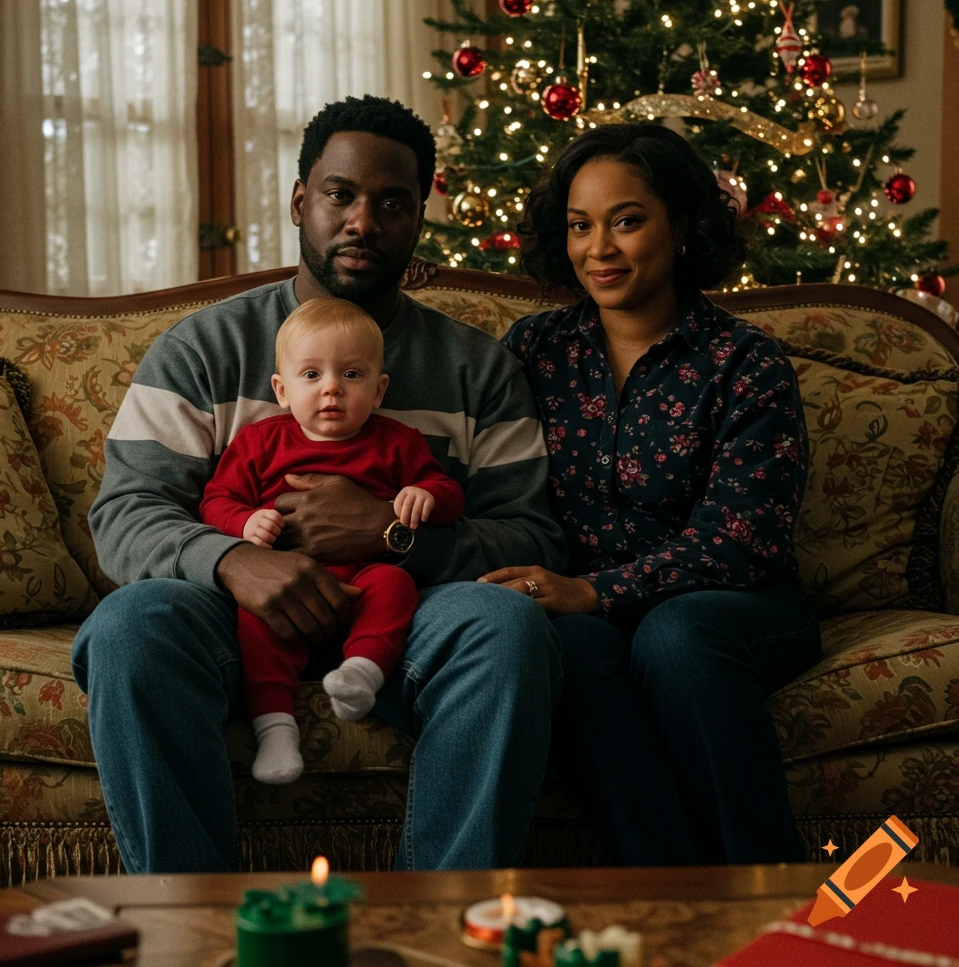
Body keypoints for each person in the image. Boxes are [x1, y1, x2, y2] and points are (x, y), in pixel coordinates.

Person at [73, 95, 567, 873]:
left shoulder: (480, 370)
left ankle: (442, 931)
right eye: (341, 194)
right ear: (302, 200)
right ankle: (193, 930)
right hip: (231, 620)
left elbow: (532, 536)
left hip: (410, 620)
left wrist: (393, 535)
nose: (363, 222)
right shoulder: (200, 350)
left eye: (392, 203)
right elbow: (125, 516)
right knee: (131, 624)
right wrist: (236, 561)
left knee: (506, 628)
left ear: (418, 219)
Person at [481, 123, 821, 865]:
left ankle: (778, 889)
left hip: (737, 604)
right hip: (583, 613)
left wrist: (596, 591)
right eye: (579, 226)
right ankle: (671, 897)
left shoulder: (745, 362)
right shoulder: (535, 350)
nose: (597, 248)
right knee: (558, 646)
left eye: (626, 221)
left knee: (676, 636)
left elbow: (743, 540)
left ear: (683, 227)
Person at [199, 297, 465, 786]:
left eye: (351, 375)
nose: (332, 390)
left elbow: (449, 496)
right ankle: (275, 728)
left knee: (395, 585)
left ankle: (362, 673)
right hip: (282, 584)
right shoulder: (260, 443)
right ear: (281, 390)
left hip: (365, 578)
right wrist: (244, 523)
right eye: (311, 376)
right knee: (253, 619)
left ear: (380, 389)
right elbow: (216, 500)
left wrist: (423, 494)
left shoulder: (399, 442)